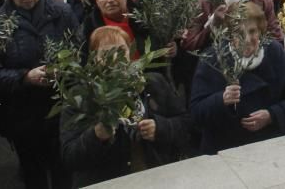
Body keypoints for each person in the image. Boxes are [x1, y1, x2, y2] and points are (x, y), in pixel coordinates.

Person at [59, 27, 192, 185]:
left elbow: (187, 124)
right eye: (106, 53)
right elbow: (69, 157)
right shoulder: (81, 96)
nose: (116, 58)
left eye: (121, 50)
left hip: (156, 178)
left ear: (130, 52)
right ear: (94, 58)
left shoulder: (153, 82)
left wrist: (161, 127)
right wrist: (96, 136)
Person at [0, 0, 78, 189]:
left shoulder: (62, 12)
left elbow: (79, 53)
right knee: (33, 173)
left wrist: (65, 69)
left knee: (62, 168)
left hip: (59, 108)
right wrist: (25, 77)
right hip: (22, 113)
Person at [189, 1, 285, 154]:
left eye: (252, 31)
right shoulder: (212, 58)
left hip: (269, 148)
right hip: (224, 153)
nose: (246, 39)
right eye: (239, 32)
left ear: (261, 31)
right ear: (229, 34)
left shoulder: (273, 52)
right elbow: (195, 113)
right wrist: (221, 99)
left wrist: (272, 115)